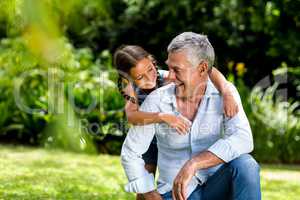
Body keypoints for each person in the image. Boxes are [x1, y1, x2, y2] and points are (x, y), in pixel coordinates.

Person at [121, 32, 261, 200]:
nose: (170, 77)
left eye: (177, 70)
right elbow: (131, 150)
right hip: (174, 192)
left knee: (246, 165)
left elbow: (243, 138)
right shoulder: (154, 97)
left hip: (216, 186)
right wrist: (148, 191)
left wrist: (195, 163)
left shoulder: (224, 94)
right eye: (169, 68)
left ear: (202, 69)